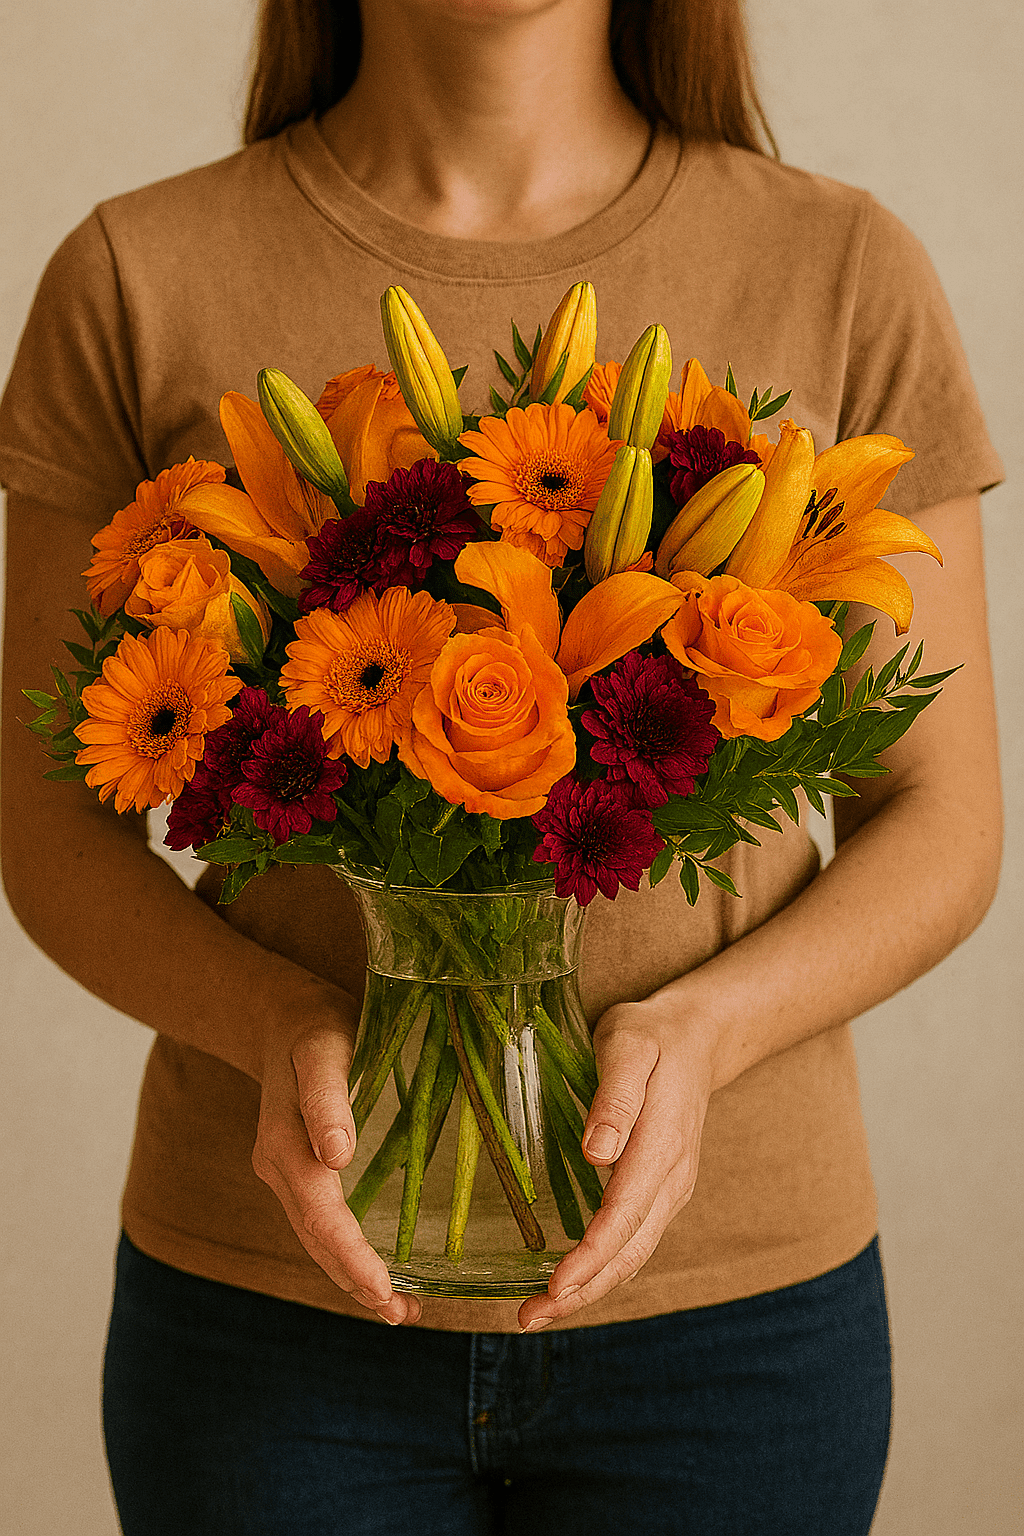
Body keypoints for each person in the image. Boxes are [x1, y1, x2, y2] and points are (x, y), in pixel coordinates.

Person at [0, 0, 1004, 1531]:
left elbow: (943, 817)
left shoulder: (844, 265)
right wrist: (274, 1028)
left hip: (736, 1318)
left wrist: (706, 1031)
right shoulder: (134, 273)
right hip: (266, 1316)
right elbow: (47, 821)